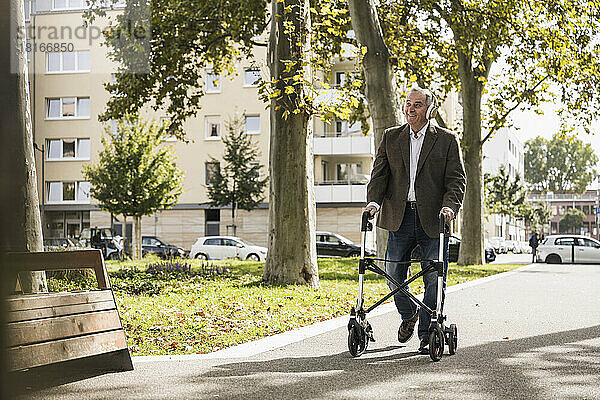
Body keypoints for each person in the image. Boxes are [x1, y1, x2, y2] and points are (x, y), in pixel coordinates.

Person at [364, 86, 466, 355]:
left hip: (434, 219)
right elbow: (379, 175)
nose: (410, 109)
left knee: (434, 277)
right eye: (408, 104)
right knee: (393, 274)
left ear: (429, 109)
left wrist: (449, 207)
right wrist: (373, 201)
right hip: (399, 217)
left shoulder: (446, 140)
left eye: (417, 104)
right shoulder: (391, 137)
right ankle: (409, 314)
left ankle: (426, 332)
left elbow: (456, 180)